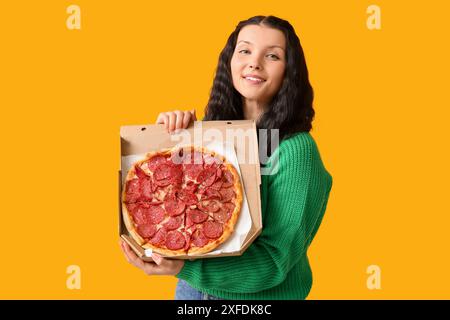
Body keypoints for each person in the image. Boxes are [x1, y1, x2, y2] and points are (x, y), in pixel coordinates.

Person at [119, 15, 333, 300]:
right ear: (230, 61)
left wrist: (184, 267)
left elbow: (273, 262)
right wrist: (171, 134)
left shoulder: (295, 150)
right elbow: (179, 205)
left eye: (272, 55)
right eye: (245, 50)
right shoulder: (212, 135)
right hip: (194, 293)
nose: (254, 62)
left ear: (289, 71)